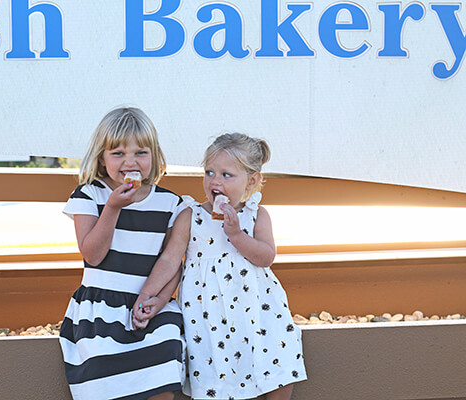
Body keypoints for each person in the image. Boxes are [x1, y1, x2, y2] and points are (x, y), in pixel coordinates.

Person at [133, 133, 307, 400]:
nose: (215, 181)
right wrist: (148, 294)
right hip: (208, 315)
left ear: (252, 180)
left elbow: (266, 256)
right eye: (210, 172)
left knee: (278, 356)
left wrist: (237, 235)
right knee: (215, 370)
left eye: (227, 175)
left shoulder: (256, 215)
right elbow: (170, 259)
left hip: (257, 311)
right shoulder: (192, 215)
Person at [59, 106, 186, 400]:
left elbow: (172, 263)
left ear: (154, 156)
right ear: (102, 160)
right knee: (103, 372)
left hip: (151, 305)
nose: (130, 162)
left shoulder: (169, 203)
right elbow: (93, 255)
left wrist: (159, 301)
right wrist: (113, 208)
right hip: (100, 308)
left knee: (165, 354)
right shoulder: (89, 195)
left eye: (140, 153)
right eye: (118, 154)